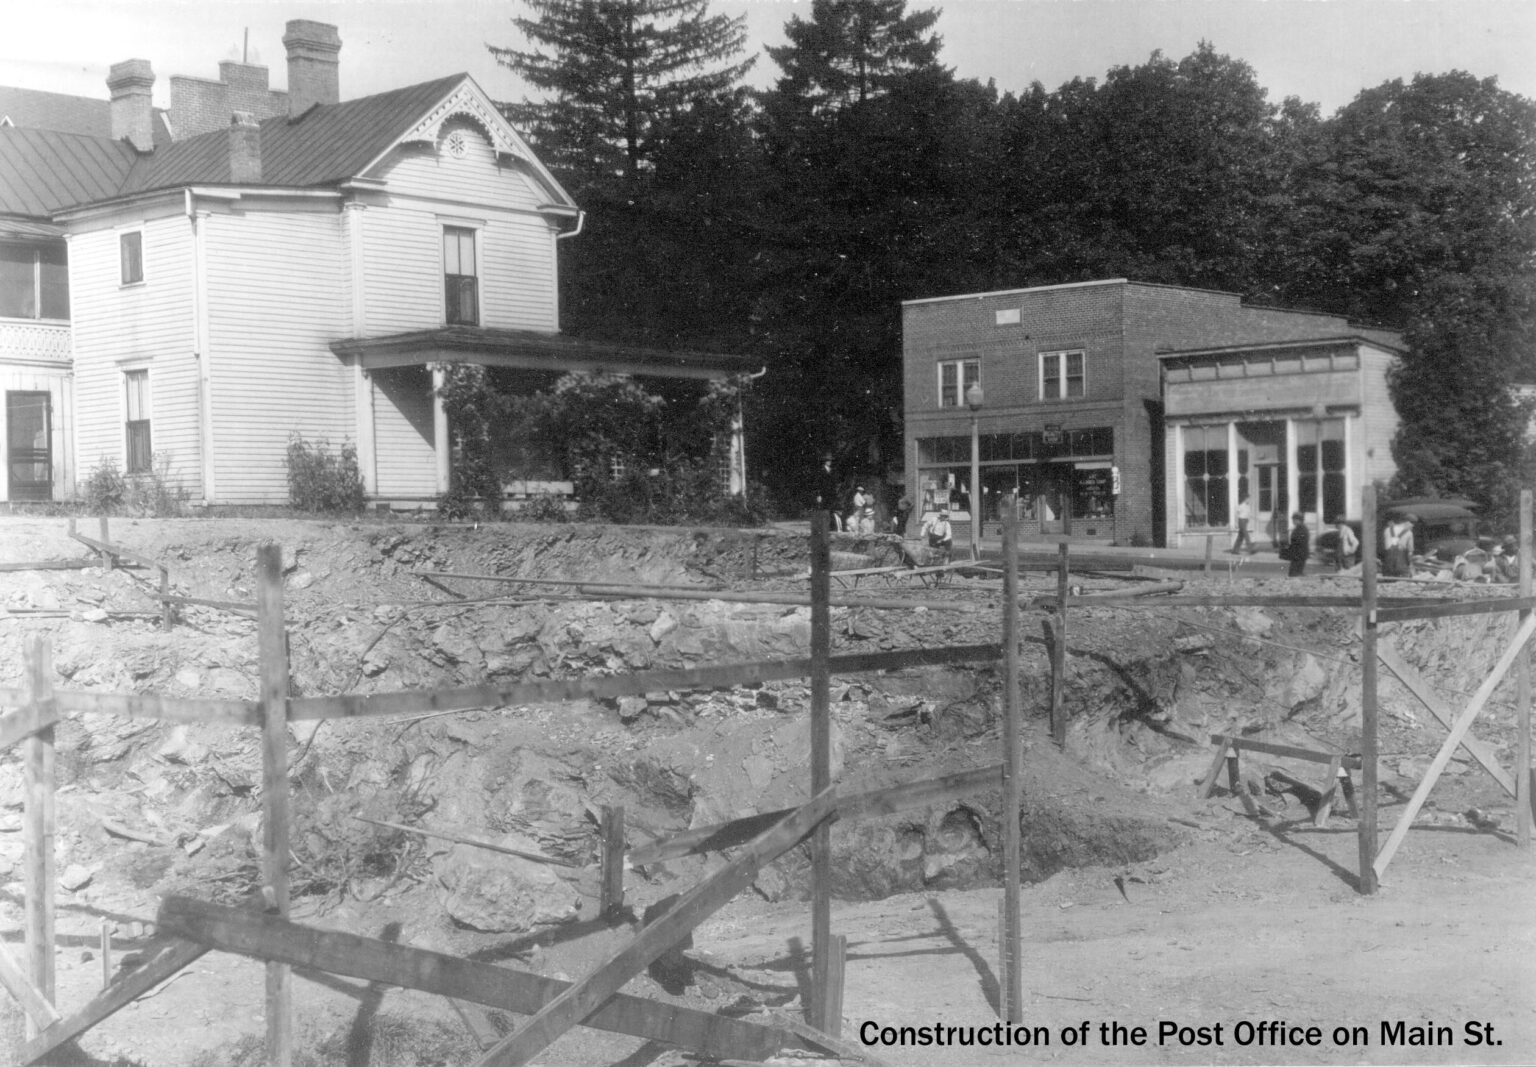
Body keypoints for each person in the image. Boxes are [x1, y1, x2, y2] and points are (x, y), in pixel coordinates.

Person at [814, 455, 842, 532]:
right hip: (823, 494)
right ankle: (823, 527)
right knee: (824, 510)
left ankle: (831, 527)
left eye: (830, 461)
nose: (829, 462)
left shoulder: (832, 471)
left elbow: (834, 483)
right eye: (828, 461)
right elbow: (818, 484)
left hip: (831, 494)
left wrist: (835, 492)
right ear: (825, 461)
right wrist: (818, 494)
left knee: (831, 510)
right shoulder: (821, 471)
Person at [1286, 512, 1310, 577]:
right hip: (1298, 554)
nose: (1292, 521)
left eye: (1293, 519)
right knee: (1295, 573)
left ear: (1298, 520)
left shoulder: (1301, 529)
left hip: (1299, 555)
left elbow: (1299, 541)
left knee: (1294, 574)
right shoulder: (1299, 528)